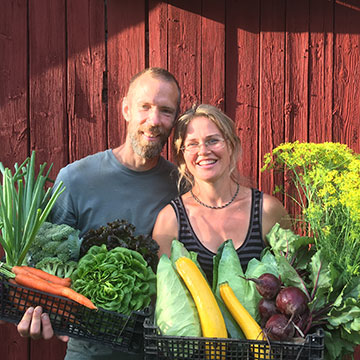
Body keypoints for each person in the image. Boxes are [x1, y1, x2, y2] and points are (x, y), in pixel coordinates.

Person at [13, 67, 182, 360]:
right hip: (90, 351)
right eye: (145, 107)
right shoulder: (77, 178)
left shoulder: (184, 186)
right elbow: (45, 269)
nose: (154, 121)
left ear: (174, 120)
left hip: (161, 350)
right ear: (126, 109)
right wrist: (38, 312)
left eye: (165, 111)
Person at [152, 104, 291, 285]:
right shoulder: (170, 220)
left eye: (213, 140)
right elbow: (165, 297)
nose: (203, 151)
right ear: (182, 156)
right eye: (192, 144)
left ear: (231, 146)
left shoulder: (266, 210)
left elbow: (294, 281)